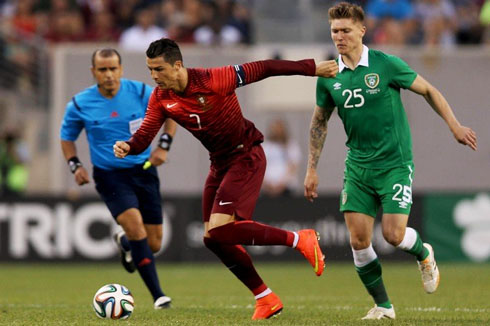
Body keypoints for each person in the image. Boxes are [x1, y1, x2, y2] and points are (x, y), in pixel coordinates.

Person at [113, 38, 338, 320]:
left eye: (158, 69)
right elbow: (146, 133)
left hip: (246, 157)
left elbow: (265, 67)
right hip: (219, 164)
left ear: (178, 65)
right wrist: (130, 146)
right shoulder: (161, 97)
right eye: (150, 70)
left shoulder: (213, 79)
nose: (154, 76)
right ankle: (265, 298)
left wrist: (311, 68)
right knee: (213, 239)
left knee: (220, 230)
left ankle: (299, 239)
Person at [304, 2, 477, 320]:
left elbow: (429, 90)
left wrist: (454, 126)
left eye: (345, 30)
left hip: (395, 163)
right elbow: (319, 122)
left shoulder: (385, 64)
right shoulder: (328, 76)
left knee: (394, 235)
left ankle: (424, 253)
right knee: (358, 240)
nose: (339, 37)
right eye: (334, 31)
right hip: (357, 166)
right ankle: (383, 306)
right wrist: (311, 168)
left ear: (361, 30)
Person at [60, 48, 177, 309]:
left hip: (144, 169)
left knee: (153, 243)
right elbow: (67, 137)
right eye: (103, 70)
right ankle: (159, 295)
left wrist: (164, 146)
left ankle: (124, 242)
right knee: (135, 226)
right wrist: (75, 165)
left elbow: (170, 113)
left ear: (121, 70)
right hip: (110, 175)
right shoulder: (79, 104)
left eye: (113, 68)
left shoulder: (141, 92)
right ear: (94, 73)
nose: (109, 74)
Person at [262, 118, 301, 197]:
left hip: (286, 188)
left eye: (279, 129)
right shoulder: (265, 146)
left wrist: (281, 185)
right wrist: (266, 184)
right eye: (275, 129)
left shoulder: (291, 146)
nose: (277, 132)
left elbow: (293, 166)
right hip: (267, 188)